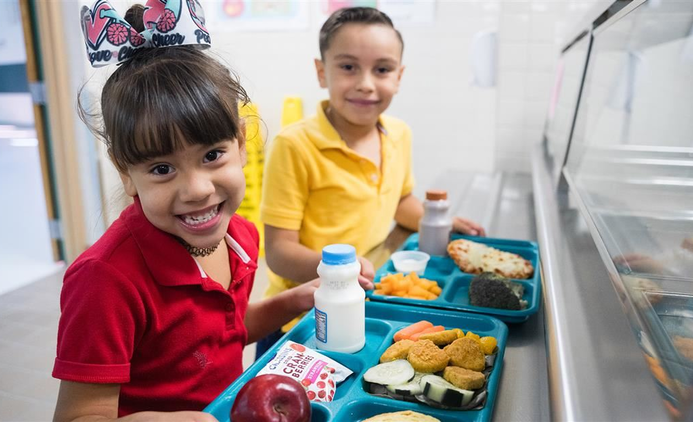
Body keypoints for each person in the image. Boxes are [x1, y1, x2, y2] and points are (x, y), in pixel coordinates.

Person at [53, 1, 322, 419]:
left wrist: (294, 301)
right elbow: (79, 416)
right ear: (125, 172)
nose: (197, 189)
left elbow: (223, 336)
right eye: (162, 168)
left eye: (213, 155)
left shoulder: (240, 238)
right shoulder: (105, 281)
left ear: (242, 141)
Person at [257, 7, 486, 357]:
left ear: (399, 75)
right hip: (303, 318)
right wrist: (342, 270)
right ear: (322, 72)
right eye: (348, 67)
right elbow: (279, 253)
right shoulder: (295, 145)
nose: (366, 83)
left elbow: (399, 200)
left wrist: (438, 220)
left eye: (382, 69)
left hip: (366, 297)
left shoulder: (398, 133)